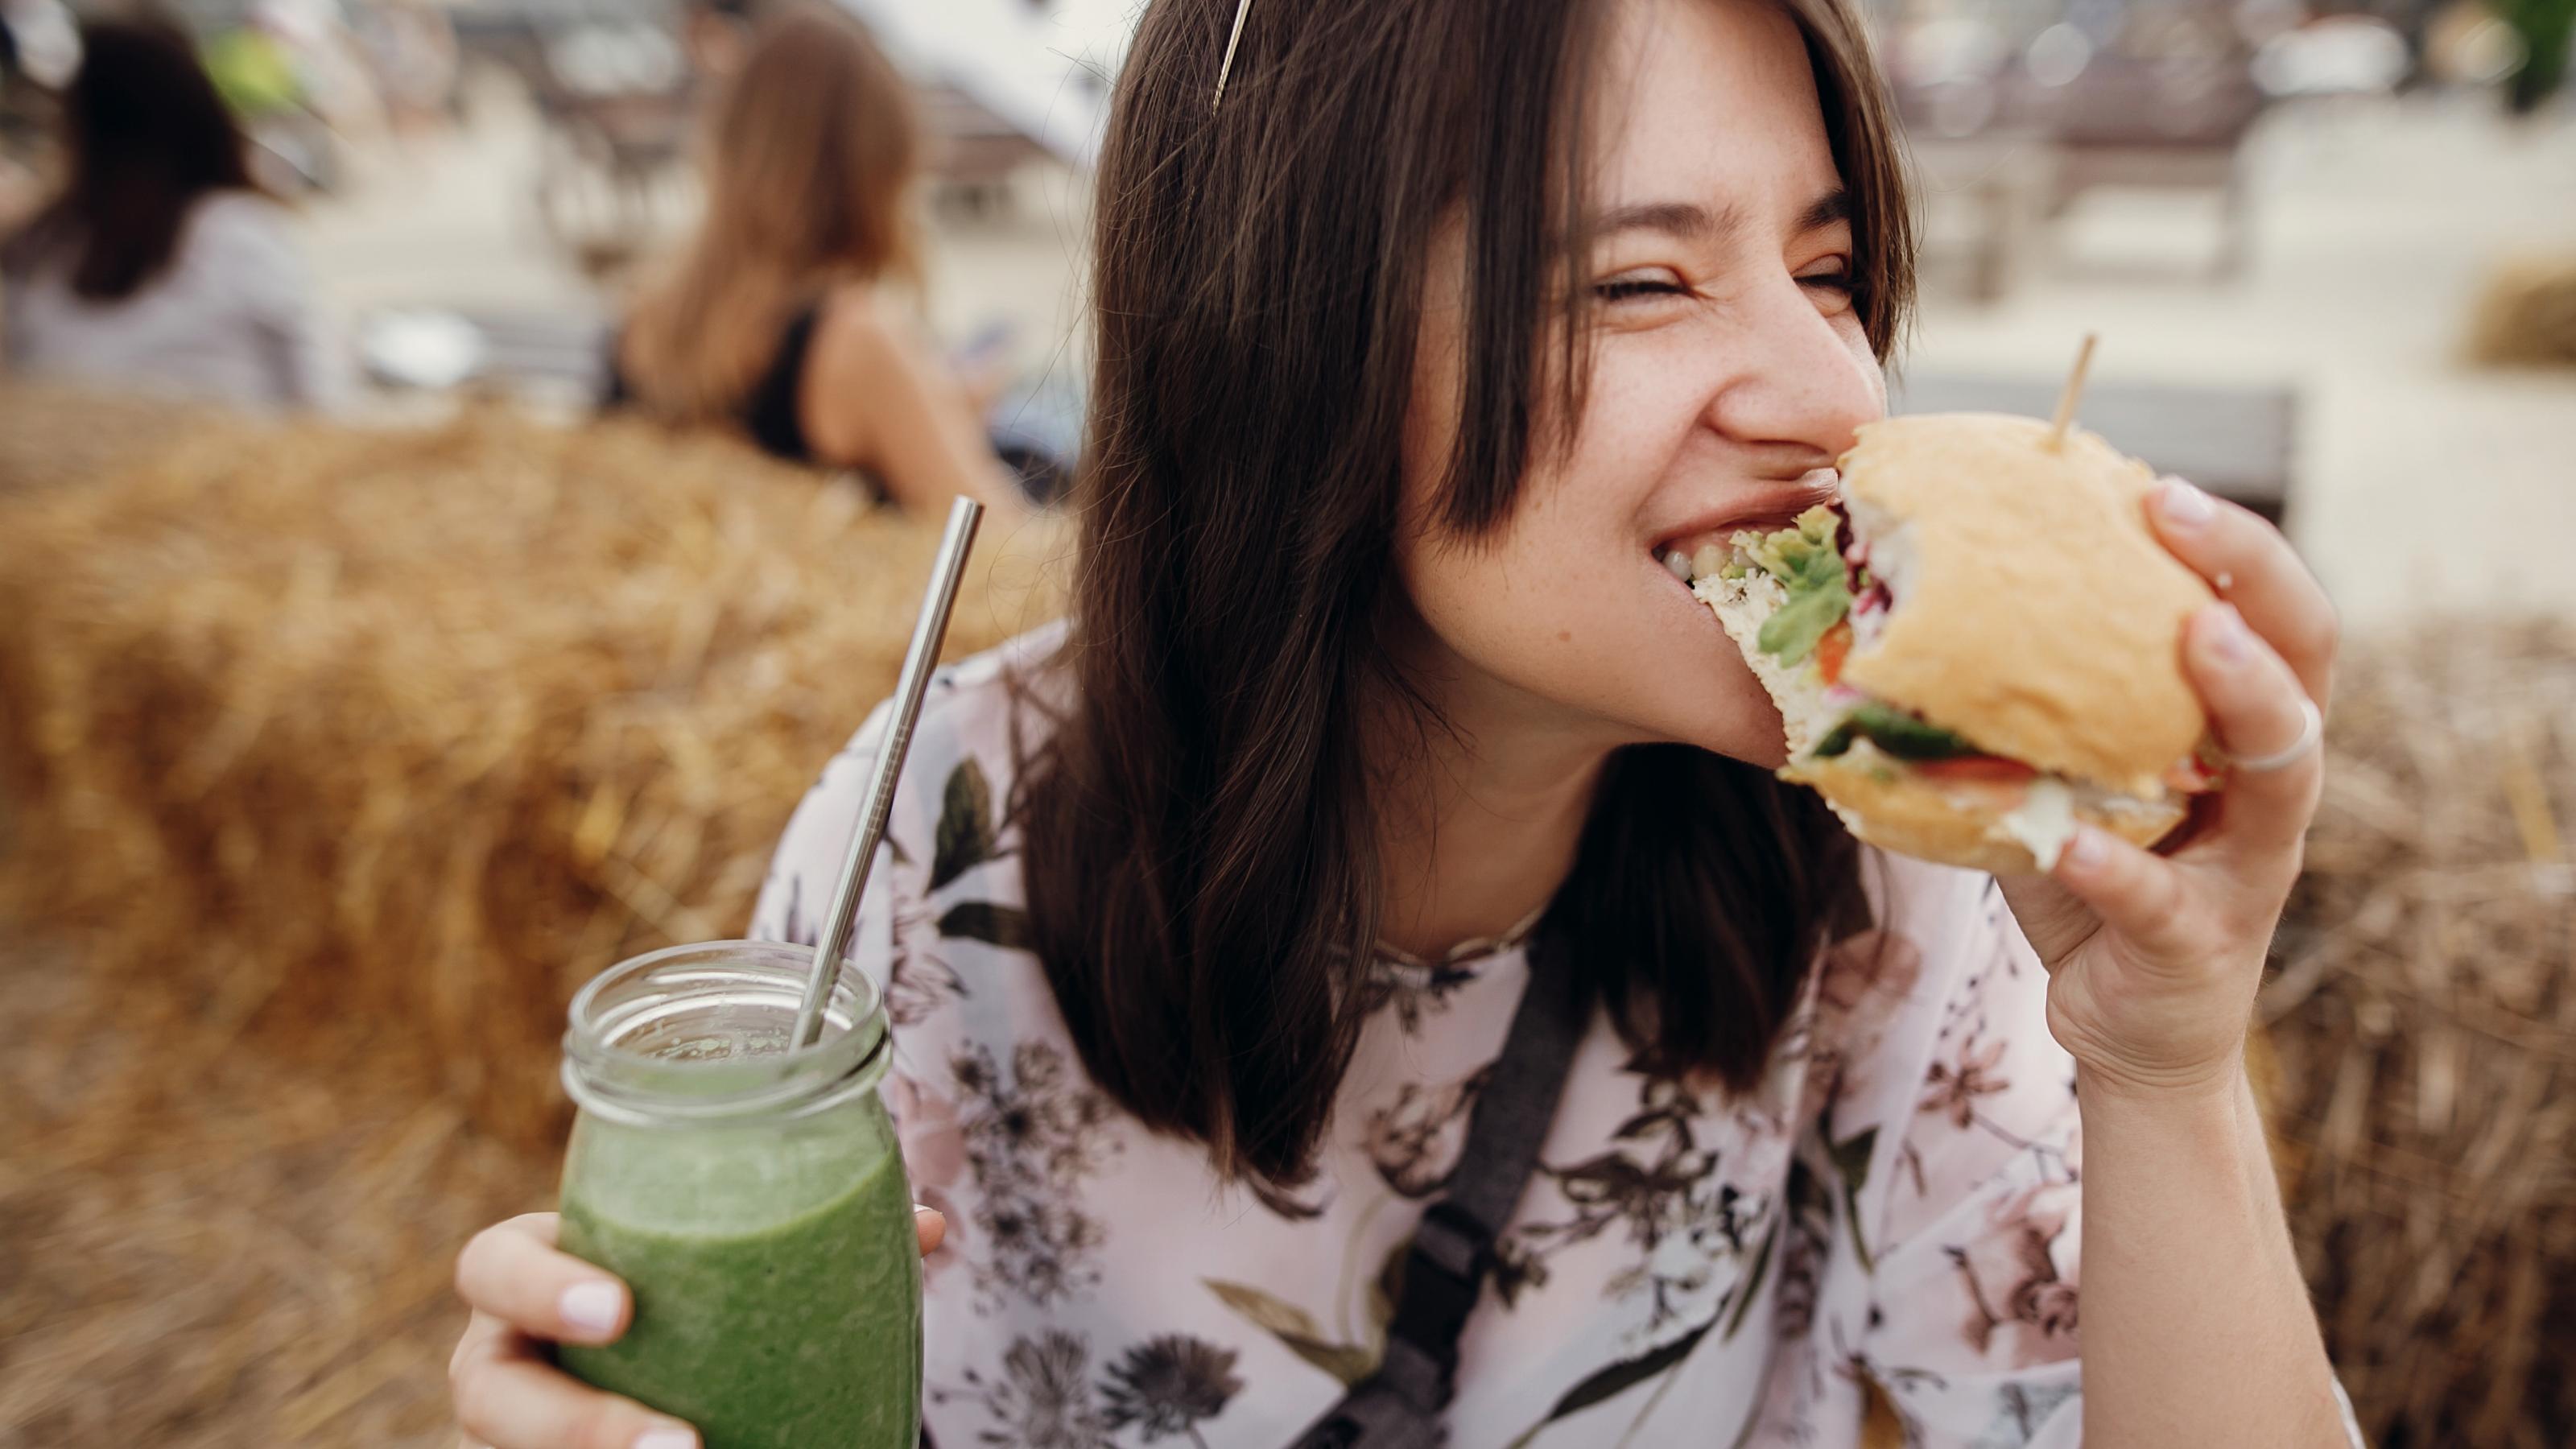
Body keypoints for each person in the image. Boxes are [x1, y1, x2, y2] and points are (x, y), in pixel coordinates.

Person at [450, 0, 2366, 1443]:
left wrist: (2164, 1062)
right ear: (1294, 342)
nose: (1836, 394)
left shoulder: (1893, 861)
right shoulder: (930, 848)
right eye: (1644, 280)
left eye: (1828, 269)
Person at [604, 4, 1030, 514]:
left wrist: (930, 402)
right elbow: (1000, 536)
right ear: (876, 173)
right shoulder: (856, 338)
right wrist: (947, 419)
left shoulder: (641, 319)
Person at [2, 18, 343, 410]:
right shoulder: (238, 232)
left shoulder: (39, 251)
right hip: (235, 445)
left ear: (80, 124)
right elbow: (318, 390)